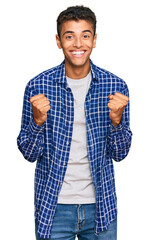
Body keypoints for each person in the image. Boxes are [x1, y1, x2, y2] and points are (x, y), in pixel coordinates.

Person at [17, 5, 132, 240]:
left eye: (85, 35)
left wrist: (117, 121)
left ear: (95, 40)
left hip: (101, 207)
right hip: (54, 207)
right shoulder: (38, 86)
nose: (78, 44)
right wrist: (37, 122)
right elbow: (29, 153)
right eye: (70, 36)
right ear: (59, 41)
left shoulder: (115, 87)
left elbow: (120, 154)